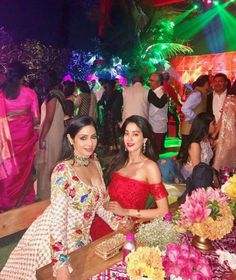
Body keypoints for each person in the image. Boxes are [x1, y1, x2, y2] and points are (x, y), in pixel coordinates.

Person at [0, 116, 128, 280]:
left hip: (81, 241)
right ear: (70, 139)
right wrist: (60, 263)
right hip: (52, 242)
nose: (90, 143)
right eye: (83, 138)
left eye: (93, 137)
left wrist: (117, 222)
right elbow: (58, 221)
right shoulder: (63, 171)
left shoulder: (94, 162)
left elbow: (99, 205)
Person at [90, 115, 169, 240]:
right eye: (127, 133)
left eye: (136, 134)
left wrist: (126, 212)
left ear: (144, 139)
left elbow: (164, 211)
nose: (130, 138)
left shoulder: (150, 167)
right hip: (106, 220)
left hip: (128, 228)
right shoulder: (118, 161)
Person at [0, 61, 39, 211]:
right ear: (23, 76)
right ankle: (22, 200)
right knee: (23, 170)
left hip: (5, 140)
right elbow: (36, 118)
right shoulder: (30, 93)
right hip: (25, 139)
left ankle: (5, 201)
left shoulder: (1, 94)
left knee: (7, 168)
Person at [37, 70, 66, 199]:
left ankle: (47, 194)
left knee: (50, 162)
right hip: (56, 131)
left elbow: (48, 119)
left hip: (51, 133)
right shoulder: (59, 94)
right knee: (53, 161)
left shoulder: (53, 96)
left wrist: (42, 137)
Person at [179, 75, 210, 159]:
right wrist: (196, 118)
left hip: (194, 128)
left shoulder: (202, 93)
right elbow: (185, 108)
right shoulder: (197, 94)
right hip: (190, 127)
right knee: (186, 153)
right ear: (206, 83)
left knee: (189, 152)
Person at [180, 112, 215, 180]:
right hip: (194, 177)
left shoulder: (205, 140)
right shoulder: (195, 145)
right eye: (213, 123)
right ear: (206, 125)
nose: (215, 126)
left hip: (204, 173)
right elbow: (197, 170)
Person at [213, 81, 236, 171]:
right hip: (230, 138)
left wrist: (213, 135)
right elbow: (223, 119)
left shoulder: (229, 99)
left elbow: (222, 119)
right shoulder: (231, 100)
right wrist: (213, 134)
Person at [148, 73, 169, 156]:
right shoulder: (158, 92)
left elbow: (152, 112)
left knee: (155, 152)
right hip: (157, 125)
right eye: (150, 80)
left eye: (152, 81)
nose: (150, 82)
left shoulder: (159, 92)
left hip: (157, 126)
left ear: (159, 82)